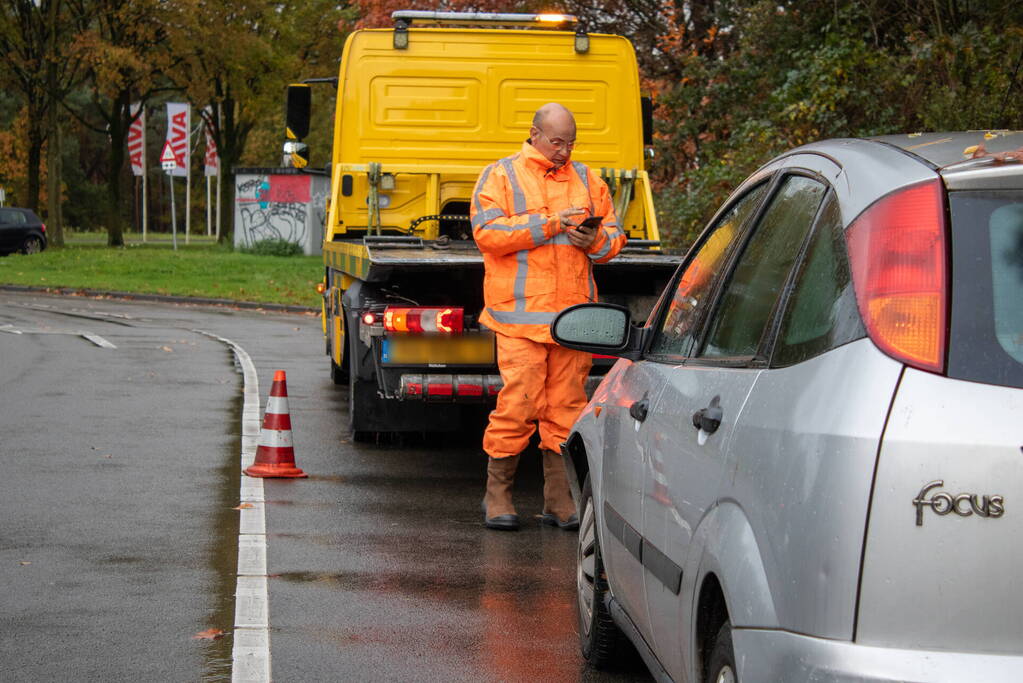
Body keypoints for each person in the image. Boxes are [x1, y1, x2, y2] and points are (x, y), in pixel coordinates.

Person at [471, 102, 627, 531]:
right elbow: (487, 234)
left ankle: (559, 500)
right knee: (519, 403)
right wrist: (552, 223)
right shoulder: (501, 175)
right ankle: (497, 496)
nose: (564, 150)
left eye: (571, 143)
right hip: (519, 319)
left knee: (567, 408)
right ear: (535, 134)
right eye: (557, 142)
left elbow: (613, 240)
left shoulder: (588, 179)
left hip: (573, 320)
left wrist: (593, 239)